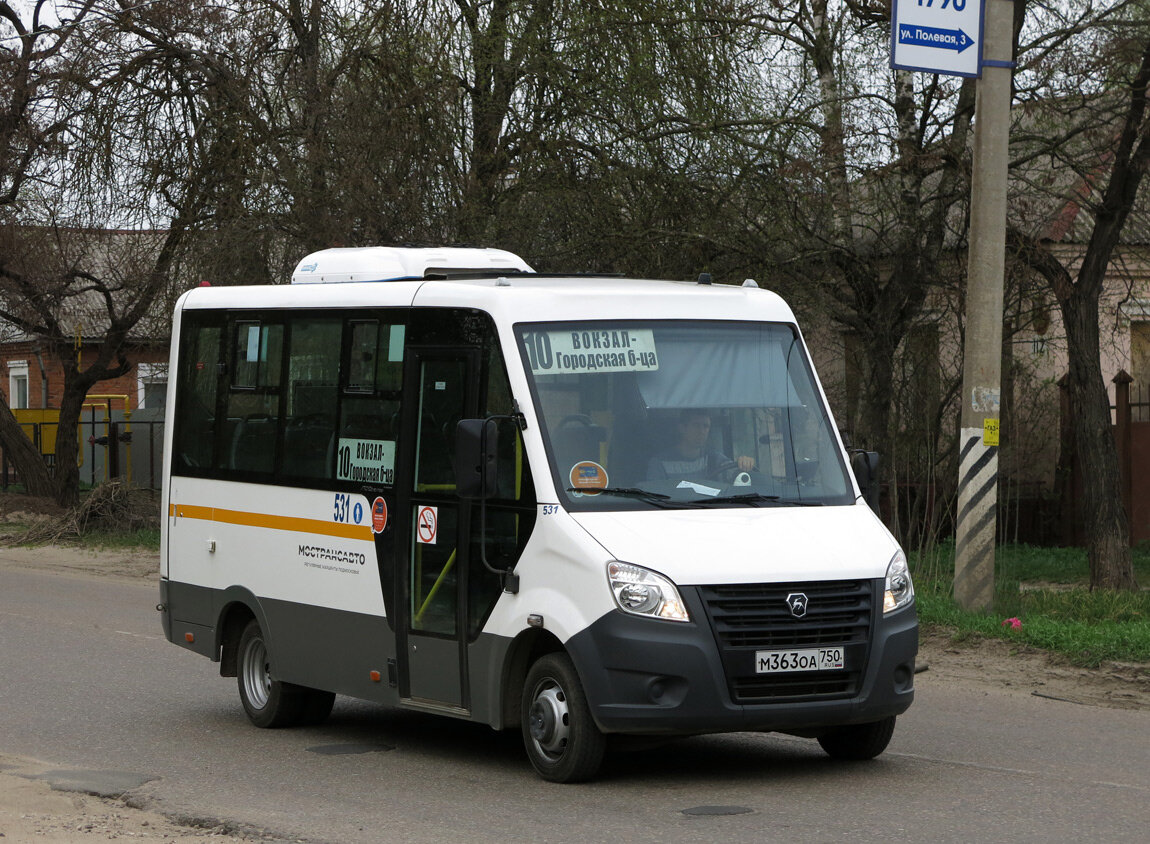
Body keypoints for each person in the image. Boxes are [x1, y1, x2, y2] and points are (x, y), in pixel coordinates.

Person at [646, 409, 754, 481]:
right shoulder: (659, 463)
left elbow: (737, 476)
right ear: (682, 428)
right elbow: (654, 498)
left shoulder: (713, 458)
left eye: (705, 426)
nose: (701, 431)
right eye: (696, 425)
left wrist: (744, 464)